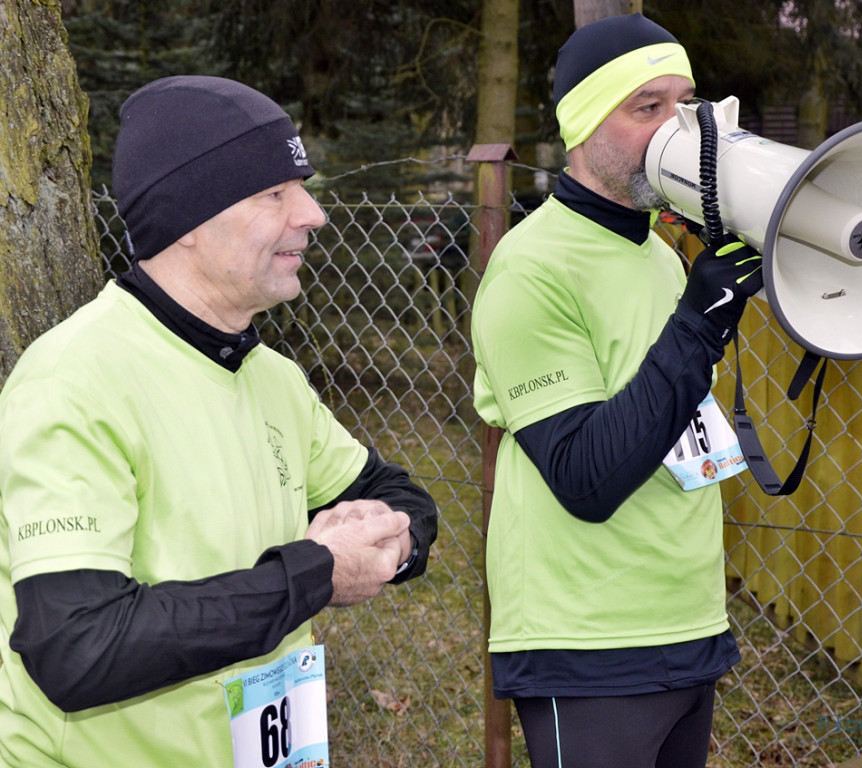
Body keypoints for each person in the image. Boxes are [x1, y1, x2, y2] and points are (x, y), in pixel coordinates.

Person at [0, 75, 437, 767]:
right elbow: (77, 649)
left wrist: (391, 544)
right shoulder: (74, 381)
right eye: (275, 193)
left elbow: (399, 495)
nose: (313, 214)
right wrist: (315, 573)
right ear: (191, 222)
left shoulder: (271, 377)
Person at [471, 14, 763, 768]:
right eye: (647, 108)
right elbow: (585, 477)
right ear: (581, 124)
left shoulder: (661, 254)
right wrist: (702, 320)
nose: (678, 128)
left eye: (686, 103)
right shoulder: (531, 269)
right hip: (588, 644)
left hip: (685, 628)